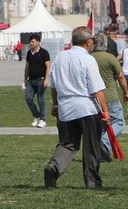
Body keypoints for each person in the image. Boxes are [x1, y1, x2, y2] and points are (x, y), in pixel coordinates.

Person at [44, 27, 110, 189]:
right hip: (86, 108)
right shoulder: (88, 59)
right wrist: (105, 111)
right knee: (91, 147)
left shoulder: (60, 57)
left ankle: (54, 167)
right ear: (88, 42)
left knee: (67, 144)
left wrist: (55, 104)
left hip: (65, 109)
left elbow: (54, 85)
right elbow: (96, 89)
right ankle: (92, 182)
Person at [91, 33, 128, 162]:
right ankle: (104, 143)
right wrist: (126, 93)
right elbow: (121, 77)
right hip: (110, 96)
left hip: (94, 98)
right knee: (118, 122)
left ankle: (101, 154)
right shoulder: (110, 58)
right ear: (106, 44)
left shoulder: (89, 57)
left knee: (101, 126)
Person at [24, 33, 51, 128]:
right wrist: (25, 79)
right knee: (28, 98)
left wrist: (46, 79)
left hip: (41, 80)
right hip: (31, 80)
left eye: (33, 41)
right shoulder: (29, 53)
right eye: (30, 41)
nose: (31, 43)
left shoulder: (44, 52)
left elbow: (48, 66)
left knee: (41, 100)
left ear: (38, 42)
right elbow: (27, 66)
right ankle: (36, 115)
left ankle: (42, 119)